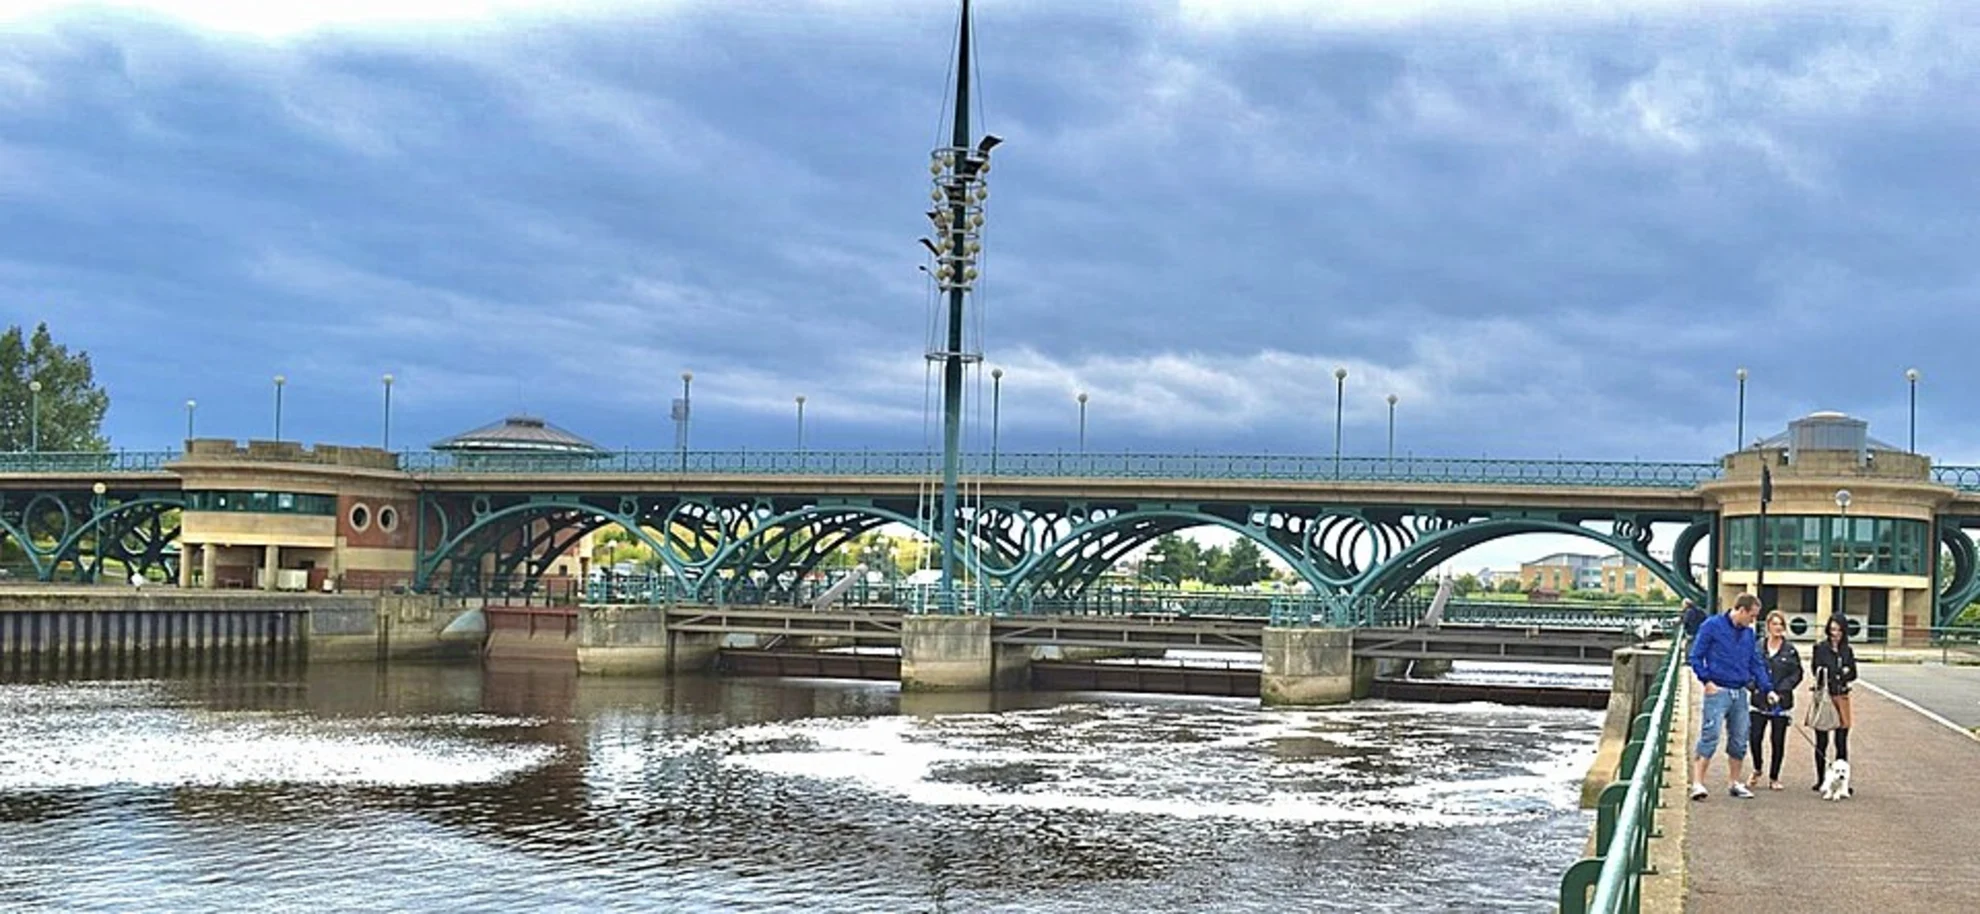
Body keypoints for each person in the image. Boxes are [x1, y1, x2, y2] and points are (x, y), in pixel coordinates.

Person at [1688, 591, 1774, 800]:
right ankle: (1698, 783)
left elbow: (1755, 662)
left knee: (1739, 738)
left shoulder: (1748, 633)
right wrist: (1706, 681)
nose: (1753, 620)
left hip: (1740, 690)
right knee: (1711, 734)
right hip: (1717, 688)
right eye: (1752, 616)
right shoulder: (1712, 626)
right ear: (1741, 610)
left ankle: (1735, 782)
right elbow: (1696, 655)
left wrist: (1767, 688)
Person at [1746, 610, 1802, 790]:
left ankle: (1774, 776)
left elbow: (1797, 673)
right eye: (1774, 624)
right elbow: (1748, 670)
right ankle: (1757, 768)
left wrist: (1781, 691)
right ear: (1768, 626)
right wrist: (1755, 687)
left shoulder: (1790, 650)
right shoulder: (1757, 647)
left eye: (1781, 624)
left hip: (1781, 702)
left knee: (1777, 740)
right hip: (1759, 700)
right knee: (1755, 737)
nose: (1778, 627)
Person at [1810, 614, 1859, 791]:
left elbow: (1853, 673)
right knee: (1821, 740)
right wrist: (1836, 673)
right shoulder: (1820, 648)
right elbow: (1816, 670)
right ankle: (1821, 779)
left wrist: (1842, 674)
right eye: (1832, 630)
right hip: (1825, 696)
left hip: (1842, 696)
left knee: (1841, 740)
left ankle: (1842, 781)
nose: (1835, 633)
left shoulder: (1847, 650)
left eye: (1838, 630)